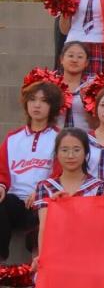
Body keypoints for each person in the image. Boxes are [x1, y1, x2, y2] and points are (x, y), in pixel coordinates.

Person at [25, 128, 104, 288]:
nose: (70, 155)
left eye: (76, 150)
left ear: (86, 153)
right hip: (55, 251)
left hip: (86, 254)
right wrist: (42, 256)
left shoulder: (99, 187)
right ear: (57, 154)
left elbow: (101, 226)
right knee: (45, 277)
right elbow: (44, 225)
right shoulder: (46, 186)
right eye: (65, 150)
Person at [0, 79, 62, 260]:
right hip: (14, 201)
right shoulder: (13, 138)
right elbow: (2, 170)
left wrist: (41, 191)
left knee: (44, 212)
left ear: (52, 106)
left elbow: (61, 173)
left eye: (44, 101)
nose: (37, 105)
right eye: (33, 99)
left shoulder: (60, 138)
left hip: (42, 202)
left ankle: (38, 263)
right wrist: (1, 186)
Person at [56, 41, 93, 129]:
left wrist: (87, 103)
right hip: (54, 135)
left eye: (80, 57)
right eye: (70, 56)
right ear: (61, 59)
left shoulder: (91, 87)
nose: (74, 60)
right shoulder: (51, 85)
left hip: (84, 135)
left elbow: (95, 123)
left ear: (86, 63)